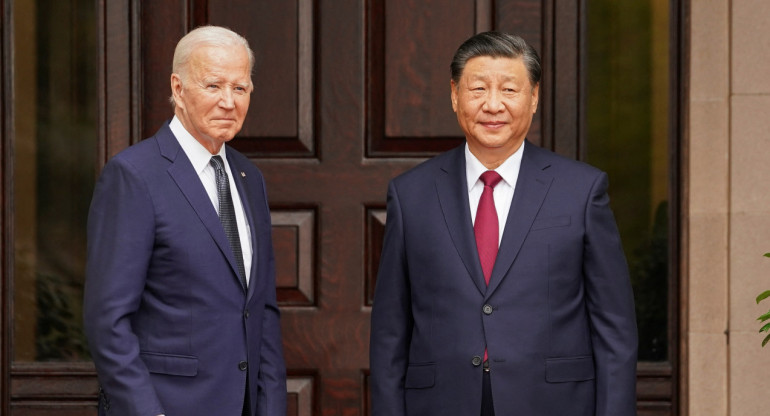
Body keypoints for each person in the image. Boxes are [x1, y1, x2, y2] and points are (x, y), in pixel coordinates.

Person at [369, 31, 638, 416]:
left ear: (534, 98)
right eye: (477, 88)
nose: (492, 105)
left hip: (553, 403)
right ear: (454, 95)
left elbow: (615, 329)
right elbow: (389, 334)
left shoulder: (581, 190)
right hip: (440, 403)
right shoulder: (411, 195)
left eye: (509, 90)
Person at [83, 26, 286, 416]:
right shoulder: (134, 176)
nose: (229, 101)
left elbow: (262, 311)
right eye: (213, 86)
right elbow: (107, 321)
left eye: (240, 88)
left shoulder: (249, 178)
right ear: (178, 89)